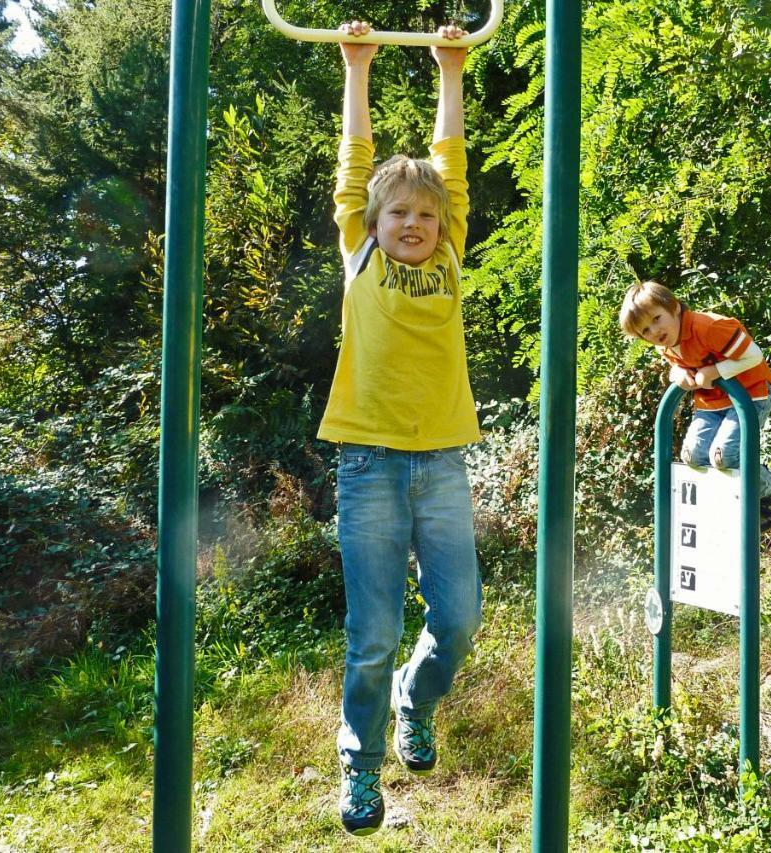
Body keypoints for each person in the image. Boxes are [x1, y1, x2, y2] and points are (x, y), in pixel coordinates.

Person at [320, 20, 483, 837]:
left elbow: (448, 165)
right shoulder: (362, 256)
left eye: (425, 213)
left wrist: (449, 67)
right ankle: (359, 766)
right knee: (373, 630)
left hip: (443, 464)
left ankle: (415, 707)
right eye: (398, 214)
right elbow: (355, 172)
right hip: (370, 464)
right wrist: (358, 67)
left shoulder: (450, 256)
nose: (413, 222)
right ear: (375, 224)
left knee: (458, 617)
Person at [619, 280, 771, 527]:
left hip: (751, 393)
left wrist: (715, 370)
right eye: (645, 331)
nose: (654, 331)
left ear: (674, 307)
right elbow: (677, 367)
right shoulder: (666, 345)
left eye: (656, 319)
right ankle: (724, 503)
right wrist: (678, 374)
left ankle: (770, 488)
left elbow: (754, 355)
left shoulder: (708, 327)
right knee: (693, 455)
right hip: (712, 402)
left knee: (724, 455)